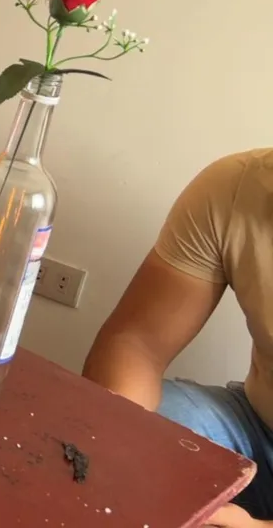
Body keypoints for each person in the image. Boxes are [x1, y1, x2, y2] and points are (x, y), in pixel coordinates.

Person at [83, 148, 273, 528]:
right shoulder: (237, 186)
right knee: (141, 428)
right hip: (256, 422)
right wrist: (111, 458)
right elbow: (139, 343)